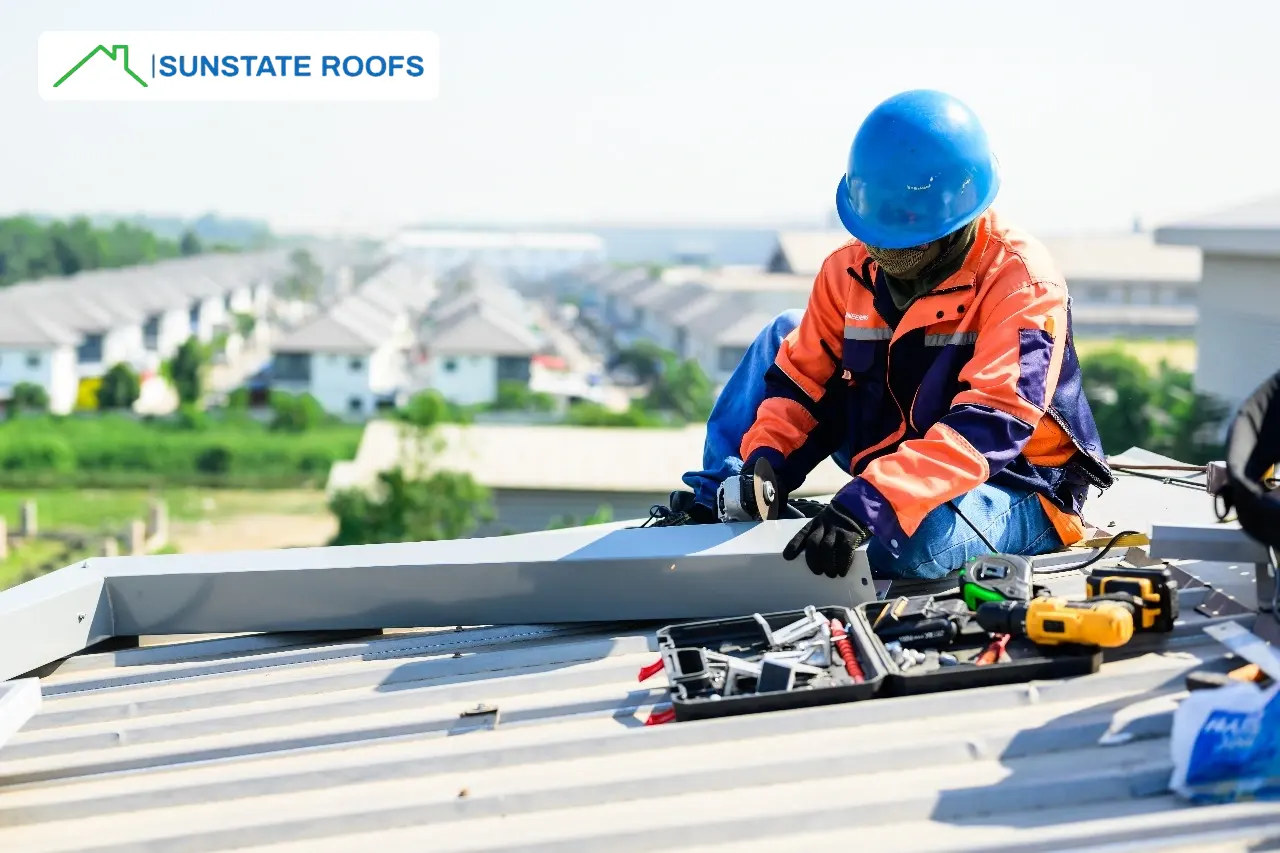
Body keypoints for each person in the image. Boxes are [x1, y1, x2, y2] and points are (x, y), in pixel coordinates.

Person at [659, 89, 1114, 581]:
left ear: (955, 219)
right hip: (899, 459)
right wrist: (768, 463)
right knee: (785, 332)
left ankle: (872, 519)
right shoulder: (848, 271)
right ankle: (722, 499)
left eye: (904, 240)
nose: (883, 253)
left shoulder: (1023, 283)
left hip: (1013, 480)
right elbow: (801, 385)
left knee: (903, 544)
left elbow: (993, 423)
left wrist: (873, 502)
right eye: (876, 235)